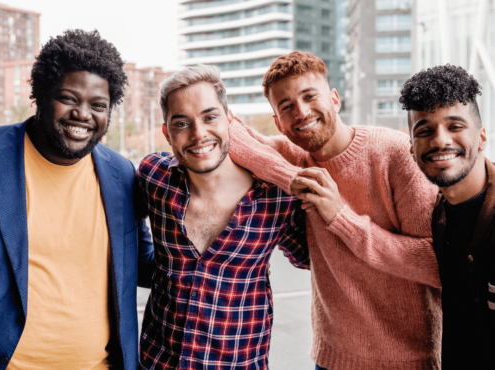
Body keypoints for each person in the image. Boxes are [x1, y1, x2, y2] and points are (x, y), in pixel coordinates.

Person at [227, 51, 442, 370]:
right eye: (286, 106)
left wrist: (341, 218)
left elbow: (438, 263)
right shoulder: (294, 157)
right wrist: (293, 178)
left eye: (309, 96)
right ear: (279, 123)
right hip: (332, 359)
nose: (300, 111)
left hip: (407, 360)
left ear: (335, 99)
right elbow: (229, 132)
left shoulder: (394, 154)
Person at [0, 30, 154, 370]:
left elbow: (144, 266)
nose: (83, 115)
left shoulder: (122, 174)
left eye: (98, 105)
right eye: (69, 98)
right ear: (41, 94)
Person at [136, 64, 310, 370]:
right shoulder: (154, 178)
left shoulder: (277, 196)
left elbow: (314, 259)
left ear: (231, 121)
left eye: (210, 116)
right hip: (156, 362)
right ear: (167, 133)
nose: (199, 134)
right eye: (181, 123)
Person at [400, 65, 493, 369]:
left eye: (455, 126)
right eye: (424, 130)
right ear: (412, 149)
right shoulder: (439, 213)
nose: (440, 141)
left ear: (481, 137)